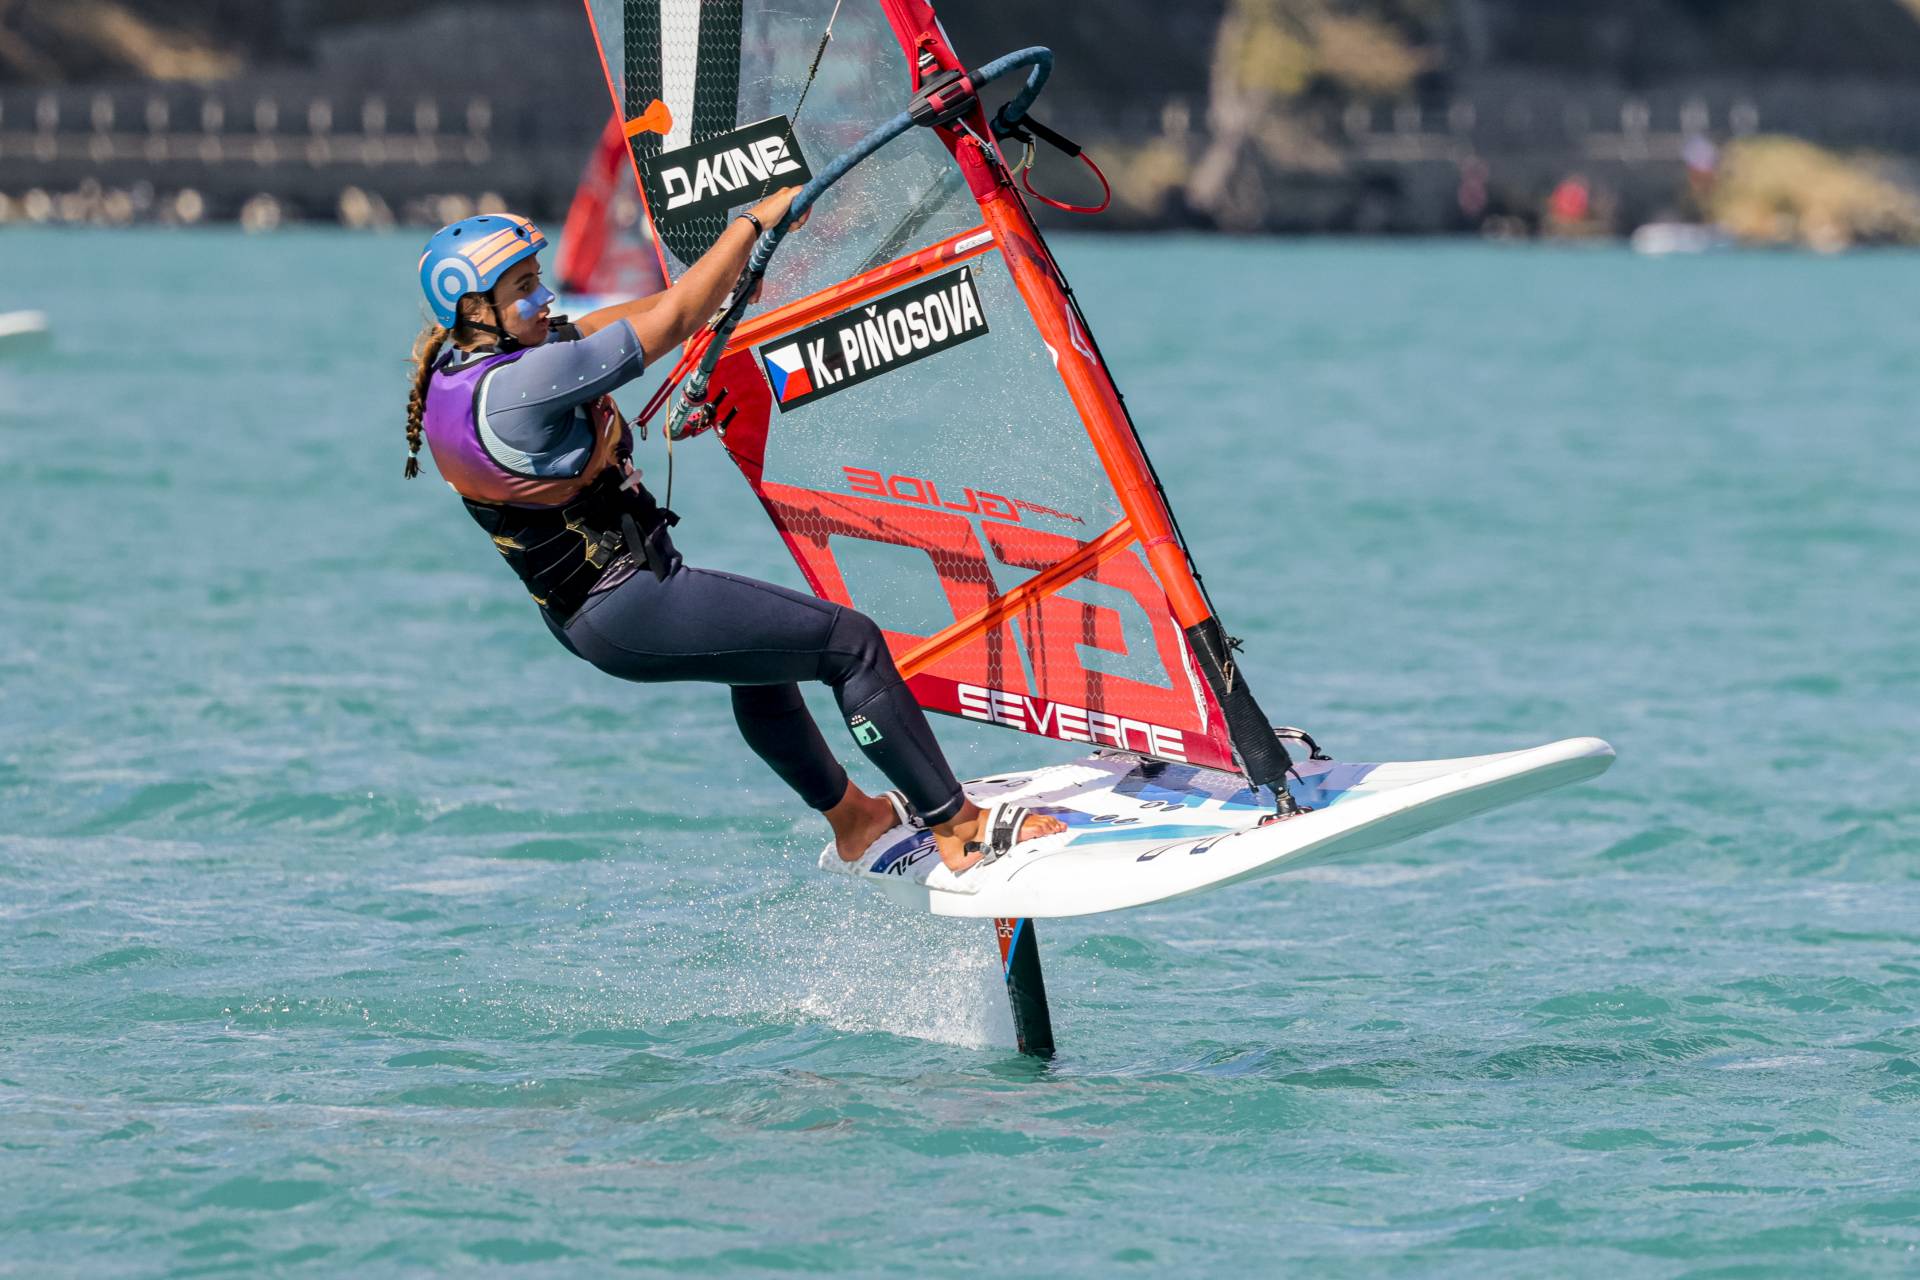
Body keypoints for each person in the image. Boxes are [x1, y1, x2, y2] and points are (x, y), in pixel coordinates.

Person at [402, 194, 1064, 875]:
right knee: (852, 645)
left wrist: (724, 284)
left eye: (538, 279)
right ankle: (960, 828)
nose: (544, 298)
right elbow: (673, 318)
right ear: (473, 308)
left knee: (762, 665)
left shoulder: (462, 379)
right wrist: (751, 224)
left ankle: (856, 820)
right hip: (629, 602)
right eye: (522, 289)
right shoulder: (526, 384)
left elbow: (633, 319)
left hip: (590, 615)